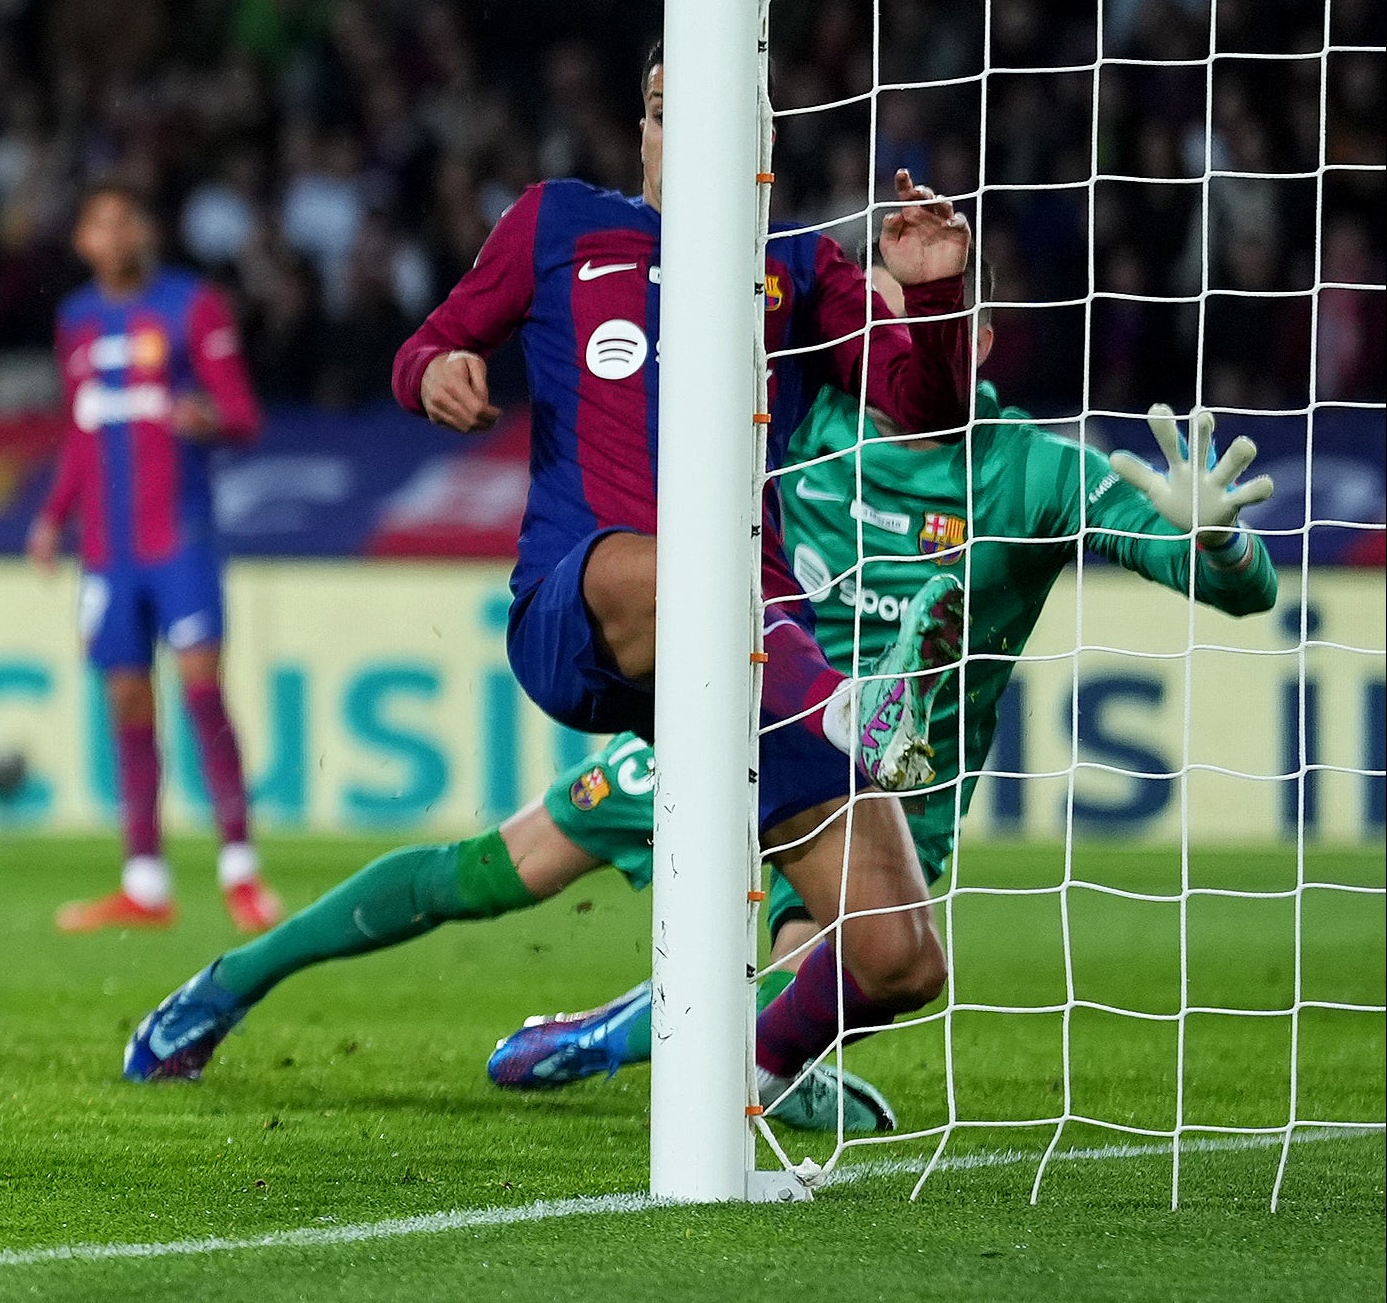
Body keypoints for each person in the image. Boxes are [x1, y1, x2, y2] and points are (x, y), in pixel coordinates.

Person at [126, 51, 978, 1112]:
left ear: (762, 141)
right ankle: (231, 981)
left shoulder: (800, 265)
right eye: (664, 113)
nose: (683, 137)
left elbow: (929, 410)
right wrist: (433, 370)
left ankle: (738, 1084)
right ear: (640, 132)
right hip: (587, 606)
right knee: (689, 588)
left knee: (900, 959)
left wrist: (937, 285)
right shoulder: (559, 224)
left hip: (754, 655)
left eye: (710, 116)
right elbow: (427, 344)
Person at [486, 358, 1277, 1108]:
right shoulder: (798, 428)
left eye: (936, 316)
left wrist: (1217, 542)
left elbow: (1238, 591)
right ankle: (740, 1064)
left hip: (906, 788)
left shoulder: (1031, 469)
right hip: (755, 728)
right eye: (881, 313)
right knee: (511, 859)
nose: (906, 341)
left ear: (980, 342)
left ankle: (672, 1050)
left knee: (855, 966)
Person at [25, 177, 279, 934]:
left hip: (179, 538)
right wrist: (50, 516)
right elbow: (80, 430)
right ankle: (144, 882)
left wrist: (208, 419)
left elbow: (242, 414)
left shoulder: (191, 306)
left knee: (201, 690)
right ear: (82, 242)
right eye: (99, 224)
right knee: (127, 703)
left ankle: (240, 871)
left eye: (126, 221)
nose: (115, 235)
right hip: (108, 550)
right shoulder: (75, 320)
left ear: (145, 233)